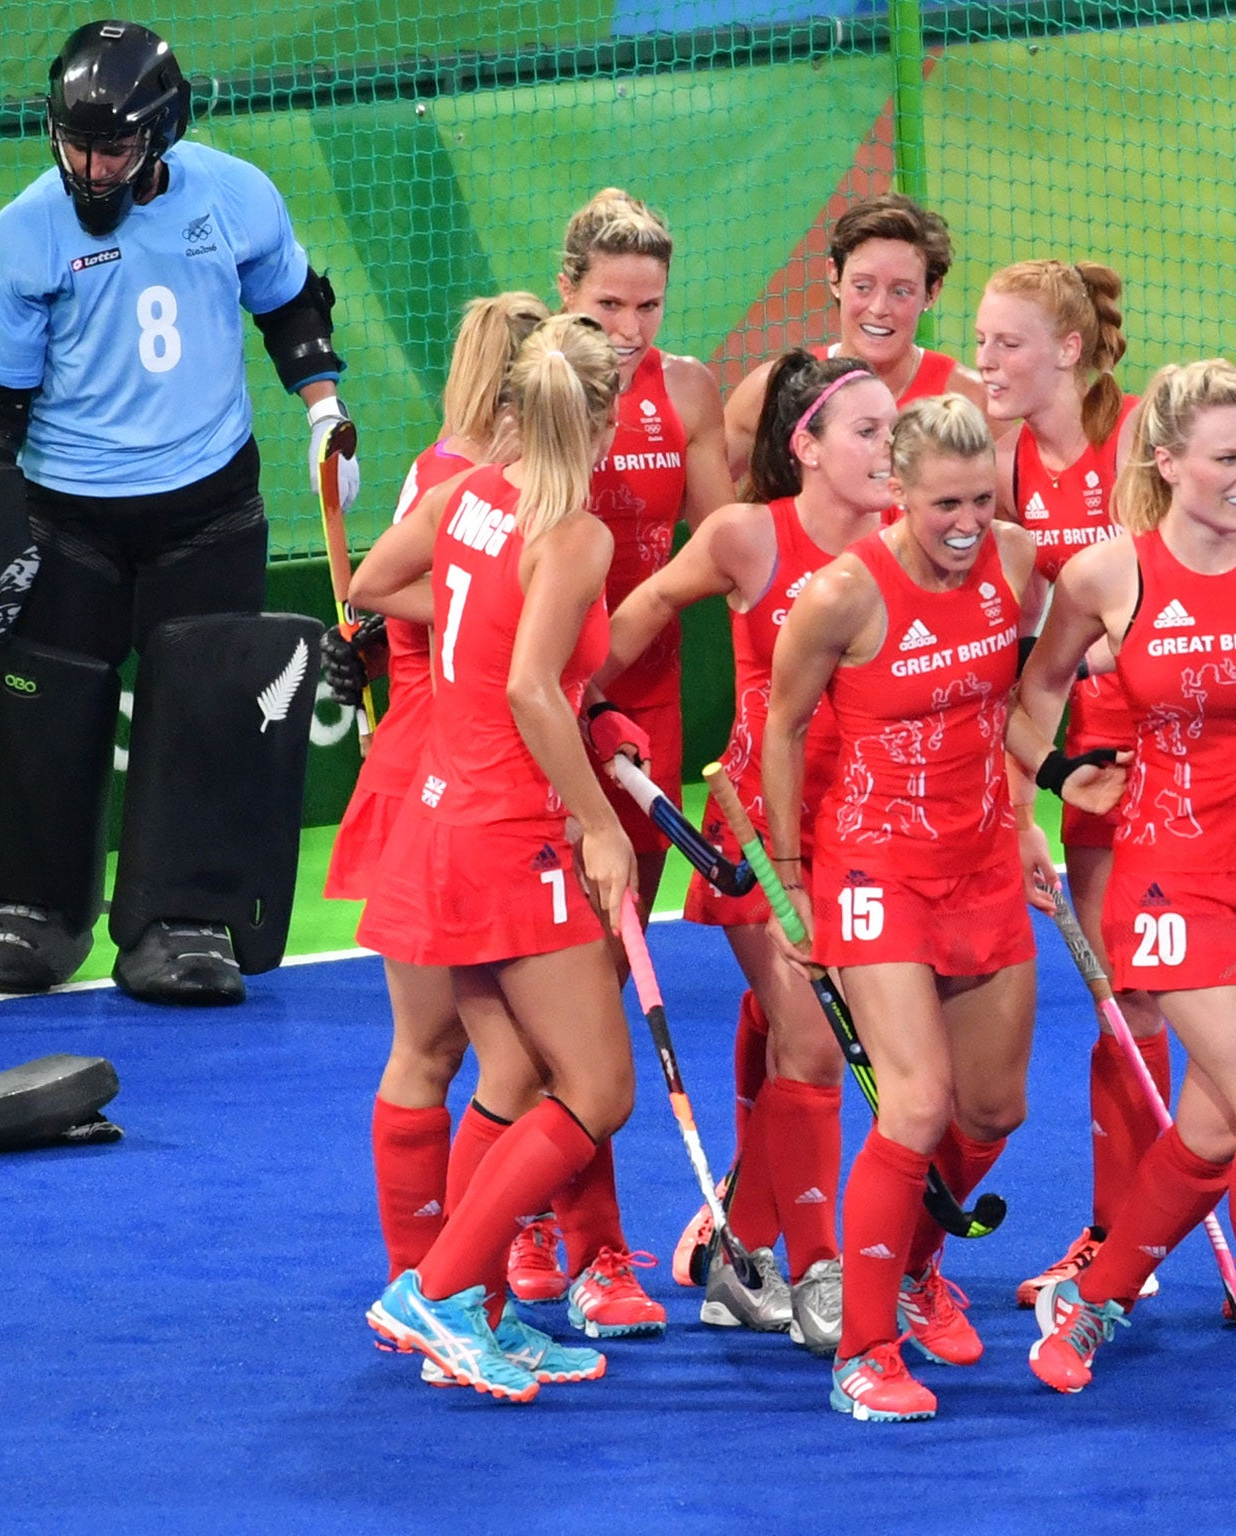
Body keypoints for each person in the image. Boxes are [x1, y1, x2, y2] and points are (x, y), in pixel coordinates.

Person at [0, 19, 356, 1001]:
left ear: (163, 133)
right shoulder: (21, 235)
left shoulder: (237, 198)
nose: (89, 167)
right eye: (74, 143)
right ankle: (35, 908)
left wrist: (324, 413)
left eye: (113, 148)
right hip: (68, 515)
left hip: (207, 506)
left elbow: (290, 305)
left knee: (208, 712)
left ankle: (185, 916)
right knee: (44, 707)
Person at [1006, 359, 1236, 1418]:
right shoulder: (1104, 576)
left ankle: (1095, 1293)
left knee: (1215, 1132)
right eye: (1227, 458)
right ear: (1166, 463)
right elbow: (1026, 696)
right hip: (1166, 879)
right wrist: (1052, 778)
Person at [357, 313, 636, 1402]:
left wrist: (500, 638)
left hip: (440, 813)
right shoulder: (575, 536)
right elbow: (529, 689)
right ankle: (435, 1290)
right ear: (601, 418)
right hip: (507, 832)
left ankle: (466, 1307)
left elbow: (377, 583)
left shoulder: (466, 494)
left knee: (515, 1073)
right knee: (597, 1088)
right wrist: (600, 823)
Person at [596, 351, 898, 1352]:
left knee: (805, 1049)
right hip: (763, 835)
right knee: (812, 1044)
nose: (885, 451)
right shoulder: (744, 536)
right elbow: (640, 607)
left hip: (872, 829)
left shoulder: (908, 541)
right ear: (804, 444)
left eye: (891, 432)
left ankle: (741, 1252)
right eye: (864, 432)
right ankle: (817, 1273)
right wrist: (583, 696)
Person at [764, 394, 1048, 1422]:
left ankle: (917, 1267)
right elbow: (783, 727)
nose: (966, 523)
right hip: (873, 869)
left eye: (981, 500)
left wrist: (1028, 813)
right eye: (943, 505)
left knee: (990, 1111)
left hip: (980, 865)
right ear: (896, 490)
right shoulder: (842, 594)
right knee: (915, 1103)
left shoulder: (1012, 565)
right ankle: (866, 1348)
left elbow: (1029, 693)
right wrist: (792, 879)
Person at [501, 188, 732, 1331]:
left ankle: (566, 1227)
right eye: (607, 305)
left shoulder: (684, 390)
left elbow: (729, 549)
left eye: (649, 304)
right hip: (546, 703)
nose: (631, 330)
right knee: (572, 976)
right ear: (565, 294)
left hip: (641, 707)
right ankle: (572, 1237)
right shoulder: (532, 394)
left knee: (613, 950)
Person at [321, 291, 547, 1285]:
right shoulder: (462, 479)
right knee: (448, 1049)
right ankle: (436, 1285)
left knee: (468, 1052)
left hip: (460, 774)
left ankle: (446, 1280)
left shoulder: (468, 473)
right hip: (441, 778)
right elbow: (388, 592)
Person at [972, 258, 1160, 1303]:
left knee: (1201, 997)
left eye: (1005, 342)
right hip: (1080, 765)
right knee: (1120, 1003)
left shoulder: (1137, 436)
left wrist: (1093, 643)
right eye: (982, 339)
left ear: (1068, 352)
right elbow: (1012, 628)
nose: (984, 360)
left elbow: (1178, 584)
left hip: (1171, 747)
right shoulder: (1001, 466)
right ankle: (1114, 1234)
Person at [724, 194, 988, 478]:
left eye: (901, 291)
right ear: (834, 276)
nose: (878, 308)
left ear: (932, 292)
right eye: (863, 286)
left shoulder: (969, 400)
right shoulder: (775, 390)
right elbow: (700, 498)